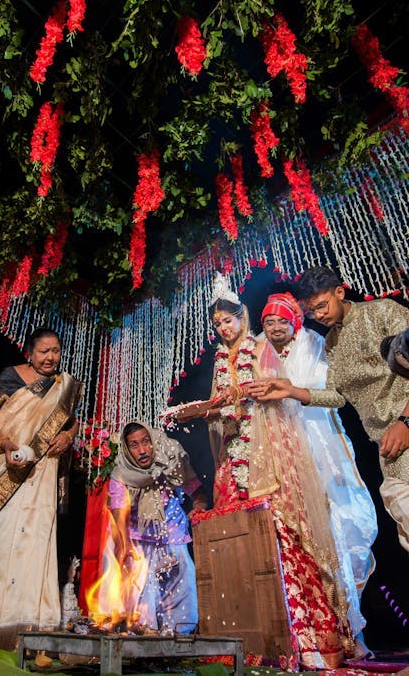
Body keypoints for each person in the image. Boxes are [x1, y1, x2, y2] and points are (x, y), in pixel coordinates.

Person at [178, 273, 354, 669]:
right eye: (217, 324)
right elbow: (219, 405)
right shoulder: (219, 360)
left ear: (243, 317)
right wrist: (207, 410)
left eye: (229, 320)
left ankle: (300, 641)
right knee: (236, 542)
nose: (224, 328)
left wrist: (250, 398)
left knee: (277, 540)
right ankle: (245, 637)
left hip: (267, 456)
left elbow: (281, 394)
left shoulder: (261, 349)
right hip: (233, 456)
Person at [249, 266, 409, 554]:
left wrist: (405, 420)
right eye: (312, 311)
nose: (319, 315)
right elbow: (338, 396)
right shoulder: (332, 342)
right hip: (387, 442)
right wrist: (291, 390)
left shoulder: (382, 312)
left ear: (340, 292)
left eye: (322, 305)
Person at [258, 291, 378, 657]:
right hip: (281, 455)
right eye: (268, 321)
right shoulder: (258, 350)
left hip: (322, 446)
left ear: (295, 320)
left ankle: (350, 632)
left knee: (342, 529)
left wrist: (292, 393)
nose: (275, 328)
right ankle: (307, 636)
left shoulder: (315, 343)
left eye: (282, 320)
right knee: (295, 541)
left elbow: (333, 392)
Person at [0, 326, 82, 649]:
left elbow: (71, 422)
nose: (50, 357)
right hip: (4, 470)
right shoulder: (11, 377)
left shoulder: (64, 386)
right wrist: (5, 443)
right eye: (44, 351)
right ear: (29, 352)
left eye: (55, 351)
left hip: (42, 475)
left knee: (34, 542)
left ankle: (30, 627)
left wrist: (68, 437)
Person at [101, 421, 207, 634]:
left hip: (172, 534)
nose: (142, 451)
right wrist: (124, 545)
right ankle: (144, 639)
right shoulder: (121, 473)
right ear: (126, 449)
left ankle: (177, 638)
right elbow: (119, 514)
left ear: (153, 441)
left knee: (181, 591)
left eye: (145, 442)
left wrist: (199, 507)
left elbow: (197, 492)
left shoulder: (169, 462)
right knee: (143, 596)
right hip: (137, 539)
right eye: (134, 445)